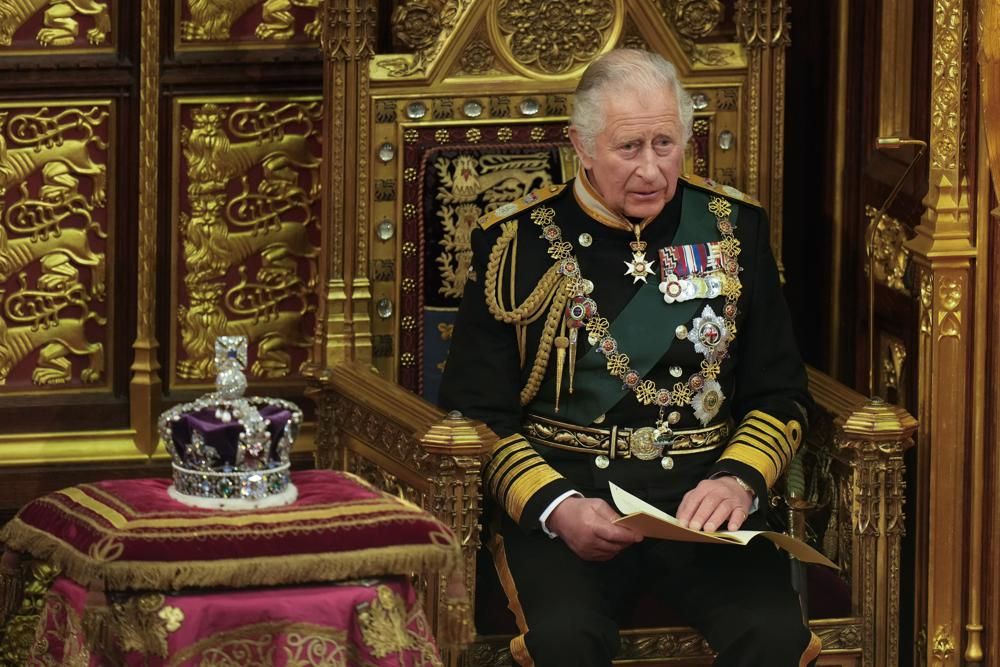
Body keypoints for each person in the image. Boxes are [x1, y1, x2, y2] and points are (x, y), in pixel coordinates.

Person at [439, 48, 820, 667]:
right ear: (581, 146)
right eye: (629, 147)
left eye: (665, 144)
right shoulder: (517, 242)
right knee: (565, 643)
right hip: (574, 499)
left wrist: (738, 480)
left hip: (704, 504)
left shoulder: (733, 227)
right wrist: (556, 507)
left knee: (775, 636)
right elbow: (474, 413)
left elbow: (779, 391)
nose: (651, 170)